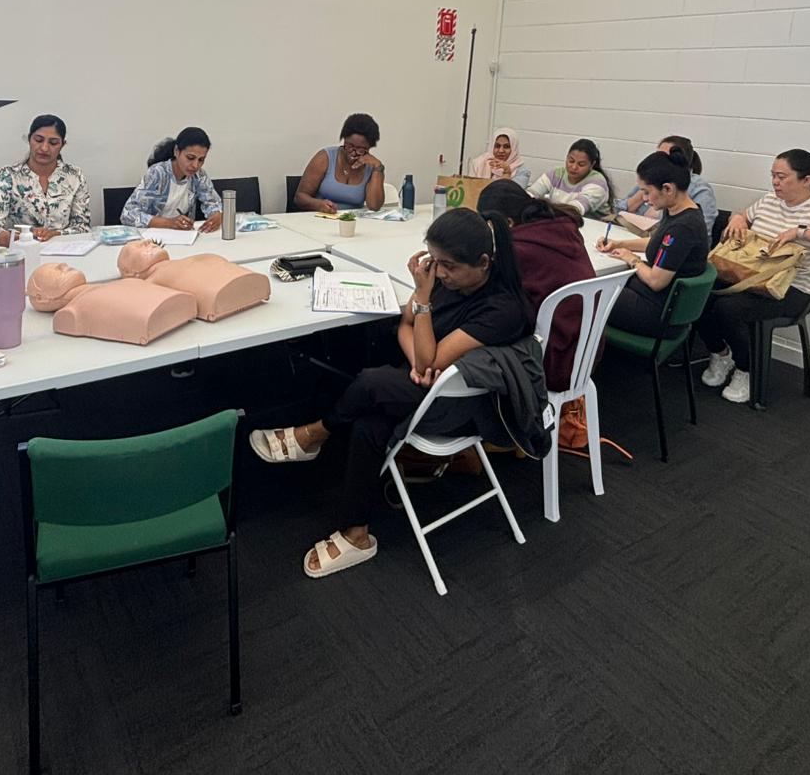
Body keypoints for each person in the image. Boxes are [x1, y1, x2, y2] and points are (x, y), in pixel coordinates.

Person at [246, 208, 530, 579]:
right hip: (427, 385)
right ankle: (357, 534)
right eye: (434, 262)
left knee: (370, 382)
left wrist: (423, 305)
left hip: (462, 406)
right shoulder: (447, 281)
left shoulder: (502, 309)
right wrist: (419, 361)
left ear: (483, 263)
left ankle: (315, 433)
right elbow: (406, 326)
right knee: (369, 420)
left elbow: (426, 346)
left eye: (449, 266)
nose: (440, 273)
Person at [698, 149, 810, 405]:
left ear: (806, 180)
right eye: (773, 176)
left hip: (792, 289)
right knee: (695, 292)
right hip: (753, 277)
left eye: (782, 177)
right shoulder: (769, 200)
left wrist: (802, 232)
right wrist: (738, 220)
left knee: (727, 309)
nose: (775, 182)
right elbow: (742, 214)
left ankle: (746, 369)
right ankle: (721, 354)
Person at [479, 180, 597, 393]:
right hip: (586, 349)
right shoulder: (563, 227)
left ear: (507, 223)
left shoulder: (518, 249)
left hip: (550, 361)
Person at [597, 150, 711, 335]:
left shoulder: (683, 227)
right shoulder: (677, 212)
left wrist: (632, 259)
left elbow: (656, 281)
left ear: (668, 189)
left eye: (647, 192)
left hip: (657, 312)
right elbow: (658, 243)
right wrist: (619, 244)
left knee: (586, 297)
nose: (644, 199)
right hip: (653, 300)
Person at [0, 113, 91, 245]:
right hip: (20, 250)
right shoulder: (10, 176)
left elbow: (82, 227)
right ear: (29, 139)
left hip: (64, 250)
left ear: (62, 145)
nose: (44, 148)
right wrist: (12, 238)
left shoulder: (74, 176)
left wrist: (55, 234)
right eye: (38, 140)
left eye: (53, 143)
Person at [121, 127, 224, 231]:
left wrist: (216, 215)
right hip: (152, 236)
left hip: (183, 234)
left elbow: (213, 203)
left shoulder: (199, 175)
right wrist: (169, 223)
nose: (195, 165)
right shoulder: (157, 173)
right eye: (190, 158)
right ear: (176, 151)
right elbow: (128, 214)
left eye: (201, 160)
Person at [615, 134, 718, 233]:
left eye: (664, 157)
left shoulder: (699, 189)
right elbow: (616, 211)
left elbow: (701, 231)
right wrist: (642, 194)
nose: (657, 160)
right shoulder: (650, 179)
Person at [294, 112, 385, 212]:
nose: (353, 152)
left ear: (369, 147)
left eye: (361, 149)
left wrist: (378, 167)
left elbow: (374, 206)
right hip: (321, 217)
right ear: (344, 140)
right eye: (350, 146)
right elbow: (300, 197)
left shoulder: (372, 167)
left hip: (353, 219)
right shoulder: (325, 157)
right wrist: (318, 205)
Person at [529, 138, 613, 217]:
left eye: (581, 164)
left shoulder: (597, 182)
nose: (574, 167)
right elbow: (530, 194)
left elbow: (575, 209)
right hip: (560, 219)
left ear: (592, 165)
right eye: (571, 161)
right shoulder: (555, 174)